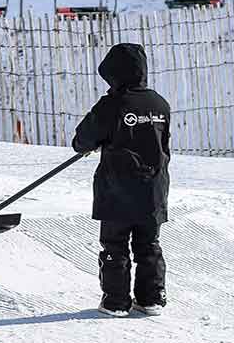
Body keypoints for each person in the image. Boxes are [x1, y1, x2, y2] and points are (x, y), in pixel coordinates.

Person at [72, 42, 171, 317]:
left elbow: (83, 139)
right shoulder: (159, 104)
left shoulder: (113, 103)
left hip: (118, 188)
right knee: (148, 244)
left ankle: (116, 301)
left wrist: (93, 142)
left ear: (115, 74)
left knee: (115, 244)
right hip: (153, 188)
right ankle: (151, 299)